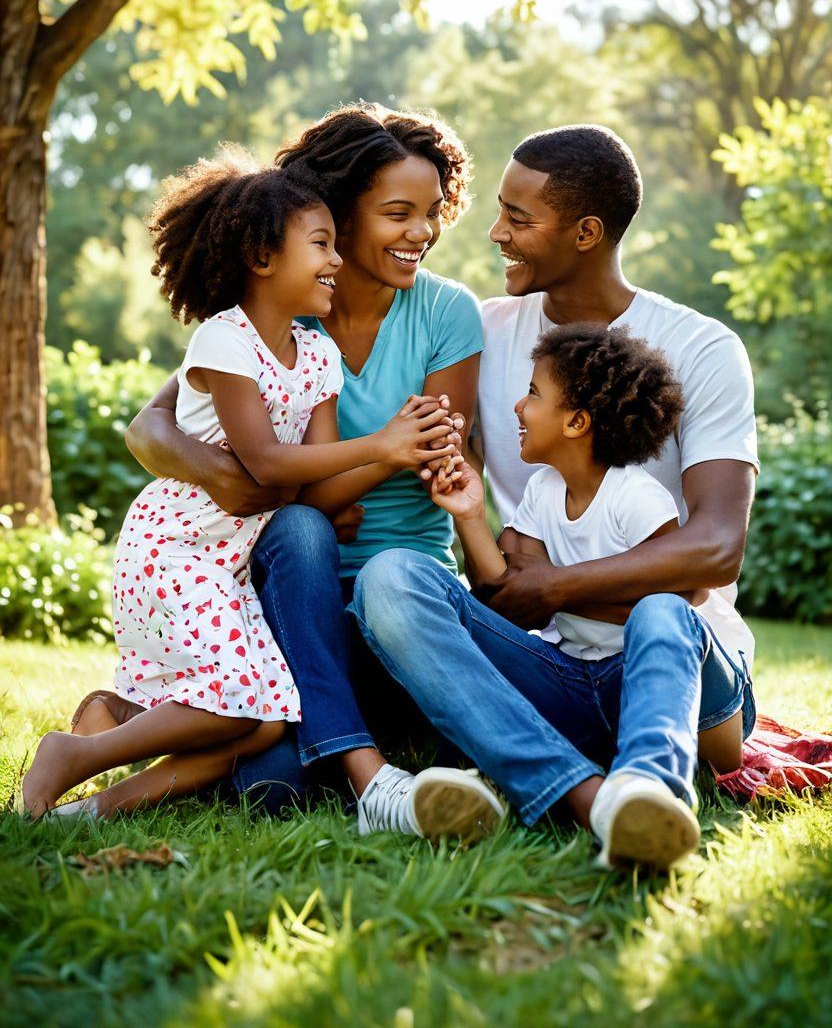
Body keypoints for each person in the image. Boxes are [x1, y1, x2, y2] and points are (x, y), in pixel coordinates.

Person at [81, 105, 505, 841]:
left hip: (399, 590)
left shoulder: (446, 314)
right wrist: (248, 476)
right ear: (338, 216)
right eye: (397, 213)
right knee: (274, 793)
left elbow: (425, 456)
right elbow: (153, 424)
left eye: (432, 213)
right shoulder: (283, 306)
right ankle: (145, 724)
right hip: (282, 587)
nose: (421, 234)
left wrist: (296, 482)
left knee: (310, 527)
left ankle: (333, 753)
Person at [352, 123, 759, 868]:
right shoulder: (479, 330)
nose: (494, 232)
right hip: (558, 659)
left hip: (681, 662)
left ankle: (637, 782)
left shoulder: (701, 348)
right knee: (392, 581)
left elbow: (716, 550)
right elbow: (498, 572)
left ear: (586, 232)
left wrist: (555, 588)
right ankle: (598, 800)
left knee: (666, 611)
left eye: (519, 217)